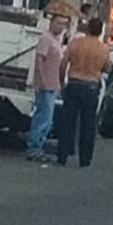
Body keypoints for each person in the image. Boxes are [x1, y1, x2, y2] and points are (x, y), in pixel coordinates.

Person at [58, 17, 109, 168]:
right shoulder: (104, 48)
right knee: (88, 124)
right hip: (91, 86)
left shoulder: (75, 44)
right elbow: (107, 68)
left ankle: (62, 155)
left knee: (68, 122)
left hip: (74, 82)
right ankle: (85, 159)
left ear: (87, 29)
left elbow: (63, 64)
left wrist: (62, 82)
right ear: (100, 32)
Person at [26, 13, 68, 162]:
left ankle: (38, 148)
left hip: (53, 84)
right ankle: (34, 150)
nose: (61, 26)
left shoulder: (57, 40)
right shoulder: (46, 38)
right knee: (43, 118)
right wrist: (41, 80)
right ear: (51, 23)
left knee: (48, 119)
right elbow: (39, 59)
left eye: (64, 24)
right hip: (46, 85)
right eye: (59, 23)